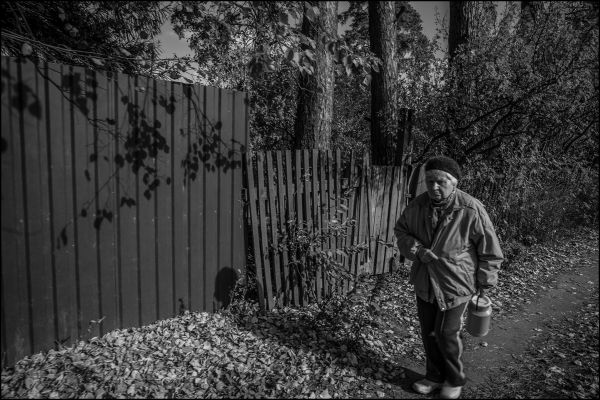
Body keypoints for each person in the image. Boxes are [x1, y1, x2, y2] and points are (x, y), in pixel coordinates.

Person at [394, 155, 504, 399]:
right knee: (428, 333)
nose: (434, 186)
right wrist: (418, 251)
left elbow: (490, 250)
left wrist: (485, 282)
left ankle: (454, 378)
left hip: (457, 282)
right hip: (425, 281)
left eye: (441, 182)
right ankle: (434, 376)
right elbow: (401, 232)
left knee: (445, 333)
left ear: (454, 183)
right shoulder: (417, 205)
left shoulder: (470, 208)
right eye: (430, 180)